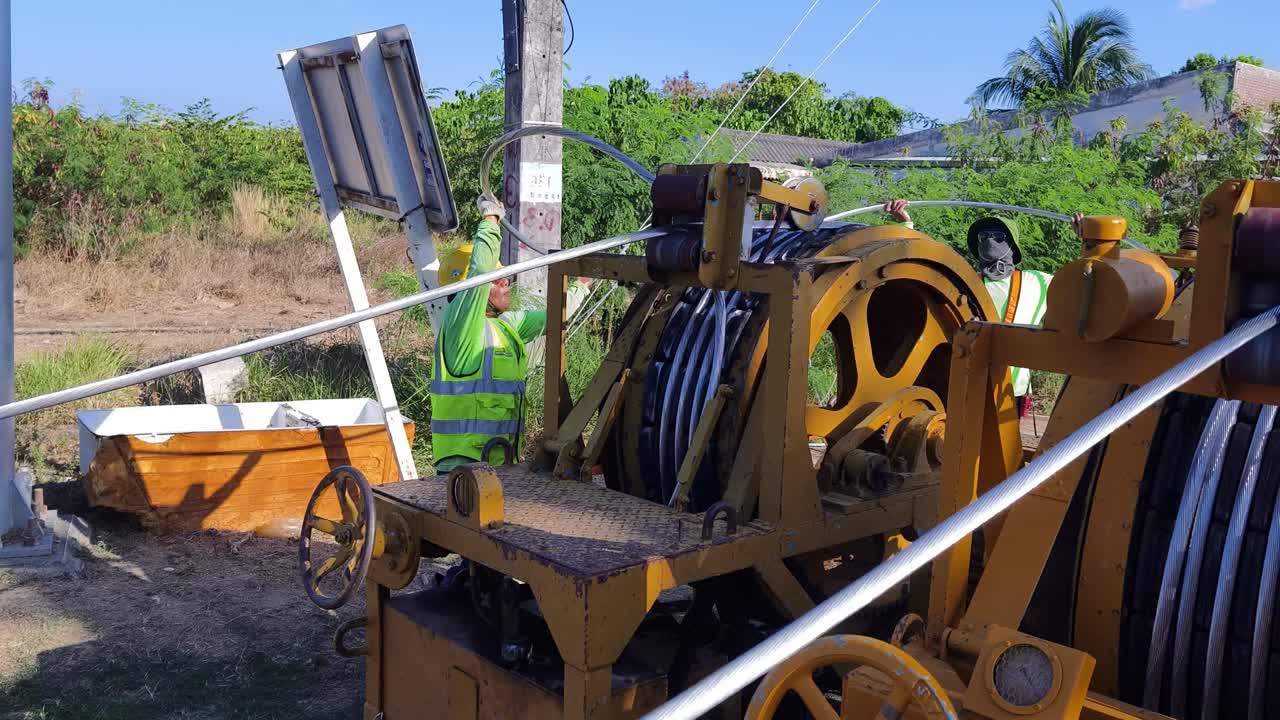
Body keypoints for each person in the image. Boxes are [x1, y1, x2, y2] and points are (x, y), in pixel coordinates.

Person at [431, 197, 591, 474]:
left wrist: (582, 284)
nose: (506, 282)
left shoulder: (506, 326)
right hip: (462, 472)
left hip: (500, 468)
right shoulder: (461, 326)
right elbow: (479, 272)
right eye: (497, 278)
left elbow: (556, 315)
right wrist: (491, 219)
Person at [883, 200, 1054, 417]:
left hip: (1012, 392)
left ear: (1012, 245)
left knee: (1005, 450)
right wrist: (906, 225)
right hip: (967, 385)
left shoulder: (1038, 282)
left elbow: (1084, 281)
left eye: (998, 237)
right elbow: (924, 271)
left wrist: (1091, 239)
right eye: (983, 237)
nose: (989, 241)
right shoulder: (964, 283)